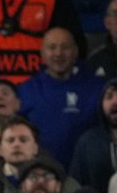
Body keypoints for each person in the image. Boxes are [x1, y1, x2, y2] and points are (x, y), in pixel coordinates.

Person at [16, 27, 104, 164]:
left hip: (88, 173)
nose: (58, 53)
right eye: (52, 47)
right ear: (42, 53)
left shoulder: (97, 87)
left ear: (75, 52)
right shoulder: (26, 89)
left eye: (65, 47)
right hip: (41, 173)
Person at [70, 78, 117, 193]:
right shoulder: (87, 142)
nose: (115, 102)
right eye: (109, 97)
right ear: (101, 104)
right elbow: (75, 186)